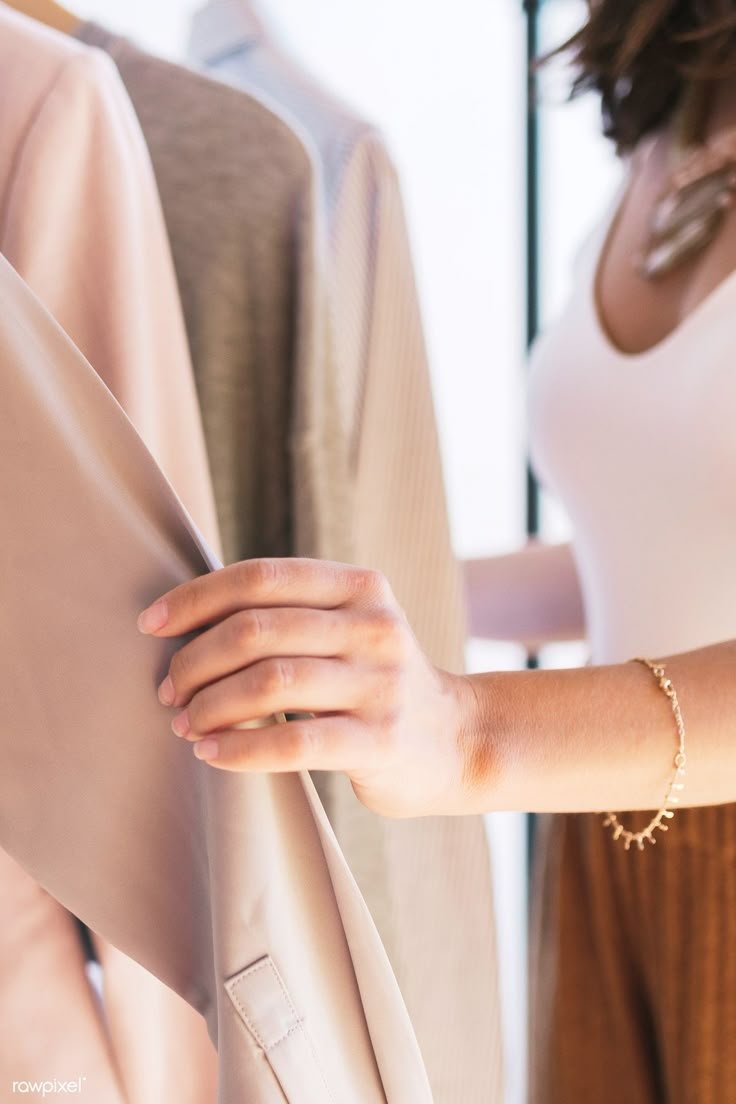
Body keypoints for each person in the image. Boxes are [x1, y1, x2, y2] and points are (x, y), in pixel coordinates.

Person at [137, 3, 736, 1099]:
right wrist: (361, 610)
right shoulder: (683, 122)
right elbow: (669, 539)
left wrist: (467, 733)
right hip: (605, 826)